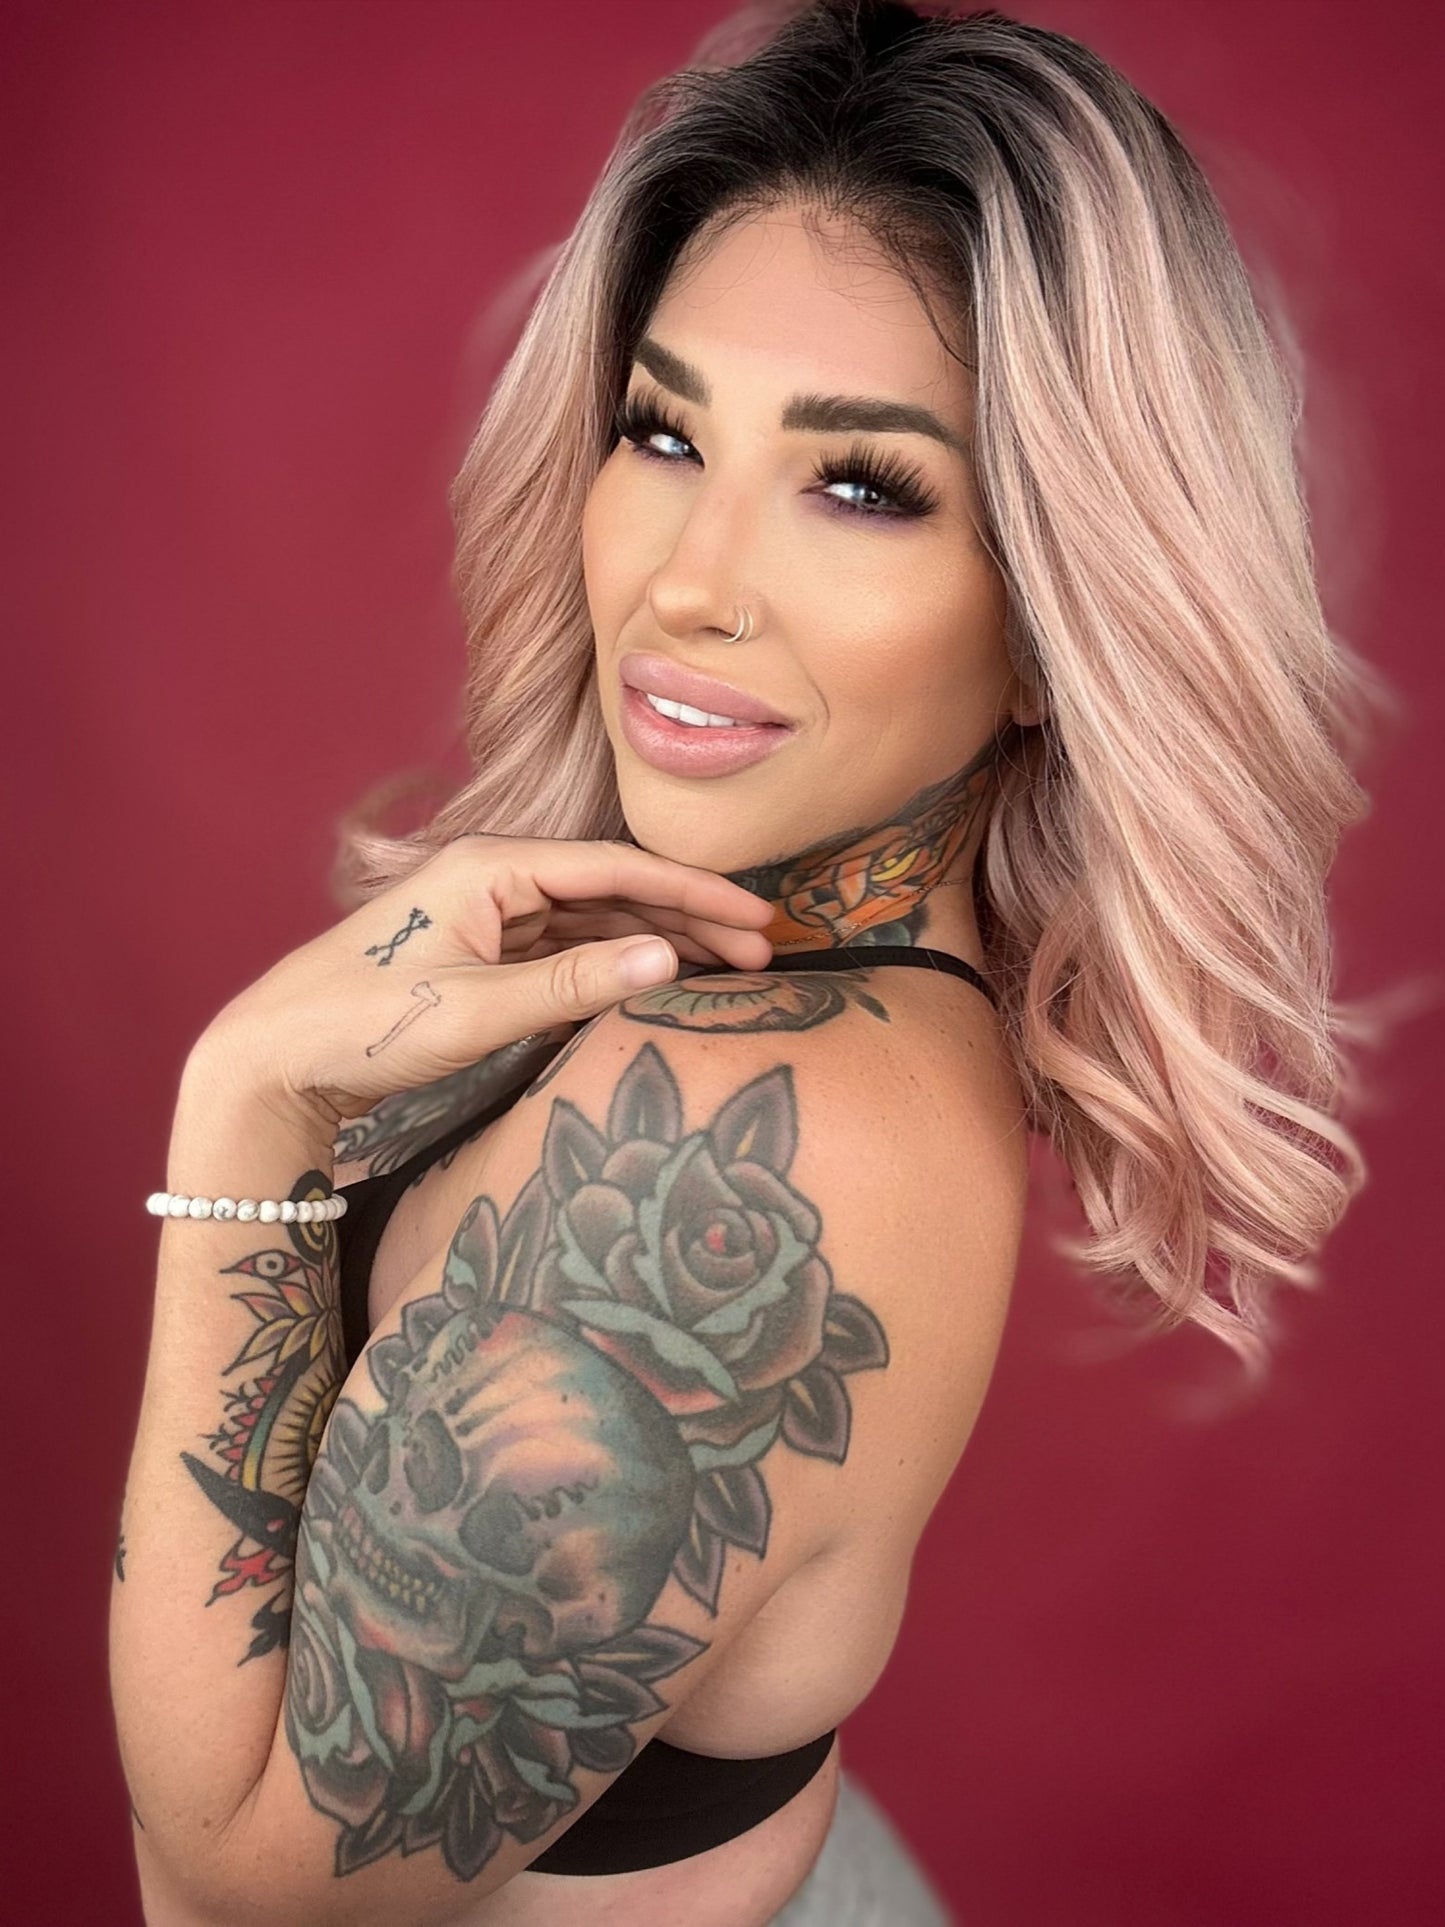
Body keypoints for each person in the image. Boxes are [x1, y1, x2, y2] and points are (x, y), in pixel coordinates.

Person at [109, 3, 1385, 1921]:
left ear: (1059, 622)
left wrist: (245, 1125)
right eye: (663, 429)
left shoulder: (742, 1125)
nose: (690, 581)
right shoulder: (750, 970)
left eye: (861, 484)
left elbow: (238, 1891)